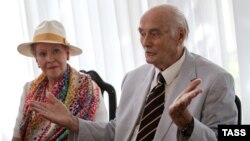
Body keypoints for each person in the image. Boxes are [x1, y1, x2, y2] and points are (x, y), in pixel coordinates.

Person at [29, 4, 238, 141]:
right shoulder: (133, 78)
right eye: (142, 34)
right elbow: (116, 131)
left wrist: (188, 125)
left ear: (180, 35)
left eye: (154, 34)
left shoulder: (217, 79)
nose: (145, 42)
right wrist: (72, 122)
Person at [11, 20, 108, 141]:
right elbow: (17, 136)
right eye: (42, 54)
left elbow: (103, 133)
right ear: (36, 60)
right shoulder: (28, 89)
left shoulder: (89, 88)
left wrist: (71, 122)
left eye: (56, 51)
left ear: (67, 53)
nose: (50, 59)